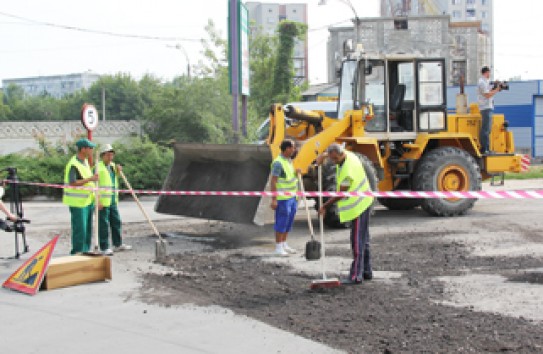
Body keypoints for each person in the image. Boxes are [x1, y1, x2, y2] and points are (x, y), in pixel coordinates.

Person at [317, 144, 374, 284]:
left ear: (340, 154)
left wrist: (324, 206)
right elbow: (332, 153)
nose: (334, 161)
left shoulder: (348, 169)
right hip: (365, 201)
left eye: (335, 158)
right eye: (332, 158)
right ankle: (366, 271)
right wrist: (323, 156)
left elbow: (341, 193)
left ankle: (356, 276)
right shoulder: (347, 154)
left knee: (357, 241)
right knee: (364, 239)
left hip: (358, 205)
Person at [63, 138, 98, 255]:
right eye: (90, 148)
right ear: (83, 149)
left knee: (87, 229)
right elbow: (72, 182)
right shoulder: (74, 164)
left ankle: (85, 250)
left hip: (87, 201)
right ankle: (77, 252)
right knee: (80, 230)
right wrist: (90, 179)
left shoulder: (85, 162)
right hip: (77, 203)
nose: (92, 150)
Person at [97, 144, 131, 255]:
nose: (110, 157)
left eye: (112, 155)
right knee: (103, 225)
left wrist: (118, 171)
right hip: (103, 202)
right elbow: (92, 185)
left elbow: (111, 179)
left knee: (116, 222)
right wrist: (97, 200)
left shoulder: (112, 166)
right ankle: (104, 247)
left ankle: (117, 244)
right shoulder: (98, 167)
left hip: (112, 201)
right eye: (108, 155)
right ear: (103, 155)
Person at [270, 139, 299, 256]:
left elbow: (289, 176)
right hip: (282, 198)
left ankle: (284, 244)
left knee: (289, 221)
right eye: (293, 147)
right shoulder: (278, 163)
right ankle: (278, 247)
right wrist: (274, 199)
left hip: (292, 197)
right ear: (287, 148)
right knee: (281, 221)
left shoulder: (288, 161)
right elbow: (273, 181)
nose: (294, 149)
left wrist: (297, 173)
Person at [478, 66, 502, 154]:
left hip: (488, 107)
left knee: (488, 129)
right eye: (489, 72)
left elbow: (489, 90)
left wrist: (495, 86)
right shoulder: (482, 82)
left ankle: (487, 148)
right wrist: (496, 90)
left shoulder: (486, 82)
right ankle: (485, 148)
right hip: (485, 107)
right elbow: (487, 95)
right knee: (485, 129)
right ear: (486, 72)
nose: (490, 74)